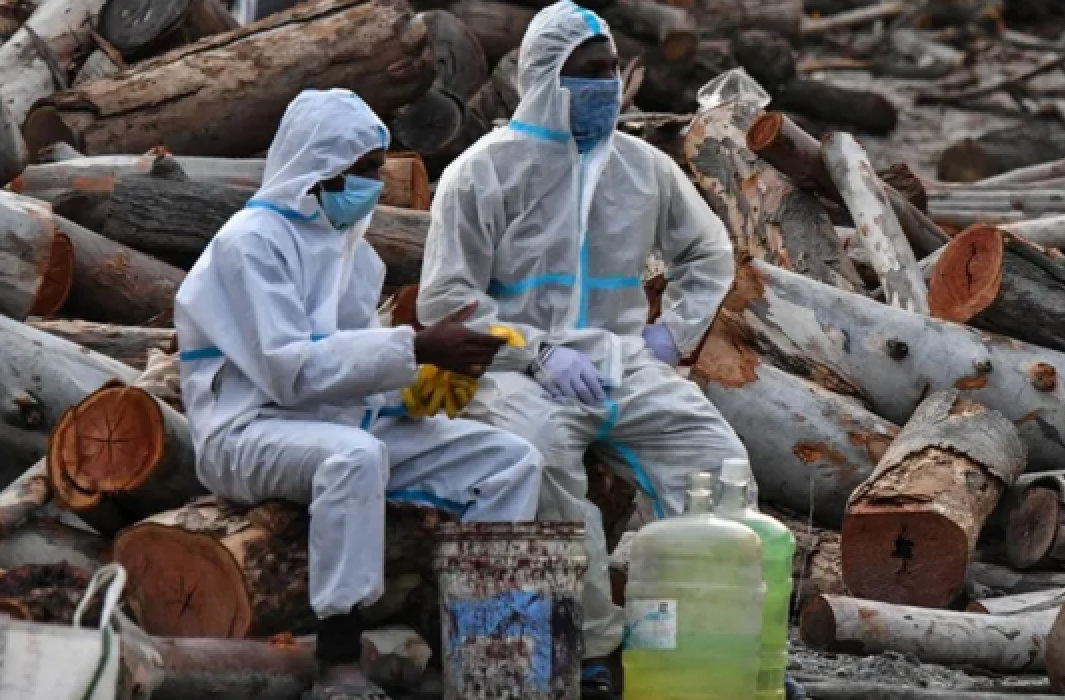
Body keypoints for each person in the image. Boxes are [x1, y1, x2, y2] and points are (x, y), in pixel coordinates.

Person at [417, 2, 757, 695]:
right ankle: (597, 650)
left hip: (623, 359)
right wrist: (534, 353)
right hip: (516, 370)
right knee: (541, 466)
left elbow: (708, 250)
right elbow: (447, 302)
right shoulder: (482, 173)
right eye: (590, 73)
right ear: (545, 78)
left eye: (610, 71)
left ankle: (711, 646)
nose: (608, 86)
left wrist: (673, 334)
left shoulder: (641, 167)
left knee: (716, 461)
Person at [174, 89, 544, 700]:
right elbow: (289, 372)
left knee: (508, 462)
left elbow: (352, 363)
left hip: (337, 421)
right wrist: (417, 349)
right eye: (365, 170)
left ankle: (485, 656)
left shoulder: (351, 249)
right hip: (245, 432)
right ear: (321, 165)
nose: (375, 182)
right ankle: (338, 662)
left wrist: (418, 388)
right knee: (354, 458)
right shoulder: (252, 243)